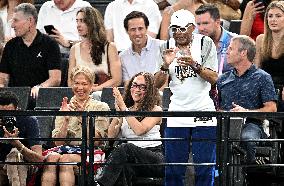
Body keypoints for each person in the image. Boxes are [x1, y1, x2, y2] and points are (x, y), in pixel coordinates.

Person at [155, 9, 218, 186]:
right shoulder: (165, 45)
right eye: (174, 29)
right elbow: (155, 83)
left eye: (183, 29)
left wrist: (195, 65)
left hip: (203, 111)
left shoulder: (205, 43)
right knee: (173, 167)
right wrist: (165, 65)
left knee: (205, 167)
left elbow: (214, 78)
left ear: (192, 28)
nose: (178, 33)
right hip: (177, 113)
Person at [41, 66, 110, 186]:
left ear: (92, 85)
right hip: (65, 150)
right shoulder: (64, 108)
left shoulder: (101, 107)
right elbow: (58, 143)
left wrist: (81, 117)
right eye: (76, 83)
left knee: (66, 159)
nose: (80, 88)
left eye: (84, 84)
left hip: (91, 152)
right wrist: (66, 120)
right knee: (51, 158)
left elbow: (97, 141)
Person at [217, 35, 277, 165]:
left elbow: (272, 108)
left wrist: (246, 112)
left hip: (252, 123)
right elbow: (218, 106)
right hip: (225, 124)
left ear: (243, 53)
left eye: (231, 48)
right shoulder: (222, 79)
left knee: (248, 138)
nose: (227, 51)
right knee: (207, 137)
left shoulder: (262, 77)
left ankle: (249, 174)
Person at [96, 72, 164, 186]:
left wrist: (123, 109)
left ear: (149, 91)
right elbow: (111, 137)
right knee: (124, 170)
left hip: (153, 158)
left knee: (126, 147)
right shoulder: (126, 110)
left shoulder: (156, 110)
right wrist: (119, 113)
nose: (137, 89)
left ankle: (99, 183)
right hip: (132, 160)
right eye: (134, 85)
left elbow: (140, 130)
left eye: (142, 87)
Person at [0, 3, 61, 106]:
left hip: (40, 97)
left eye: (16, 21)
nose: (12, 25)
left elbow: (55, 78)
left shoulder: (50, 44)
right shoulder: (10, 46)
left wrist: (39, 87)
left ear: (30, 21)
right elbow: (3, 77)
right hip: (15, 99)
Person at [68, 7, 122, 101]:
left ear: (93, 23)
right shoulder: (74, 49)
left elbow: (117, 79)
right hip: (80, 95)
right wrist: (84, 89)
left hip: (103, 96)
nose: (78, 25)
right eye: (77, 21)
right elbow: (70, 81)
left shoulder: (109, 47)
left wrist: (94, 89)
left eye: (82, 21)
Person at [0, 91, 43, 186]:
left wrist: (17, 144)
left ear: (17, 109)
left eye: (10, 113)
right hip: (1, 165)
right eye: (2, 114)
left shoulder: (28, 120)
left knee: (14, 155)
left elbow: (39, 160)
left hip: (26, 164)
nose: (6, 117)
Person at [120, 11, 165, 84]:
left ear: (146, 28)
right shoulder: (123, 56)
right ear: (127, 31)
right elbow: (127, 86)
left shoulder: (162, 47)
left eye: (140, 28)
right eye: (133, 29)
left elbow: (165, 83)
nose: (137, 33)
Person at [195, 4, 238, 74]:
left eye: (205, 23)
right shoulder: (194, 41)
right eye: (198, 24)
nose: (201, 28)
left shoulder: (235, 42)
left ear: (218, 22)